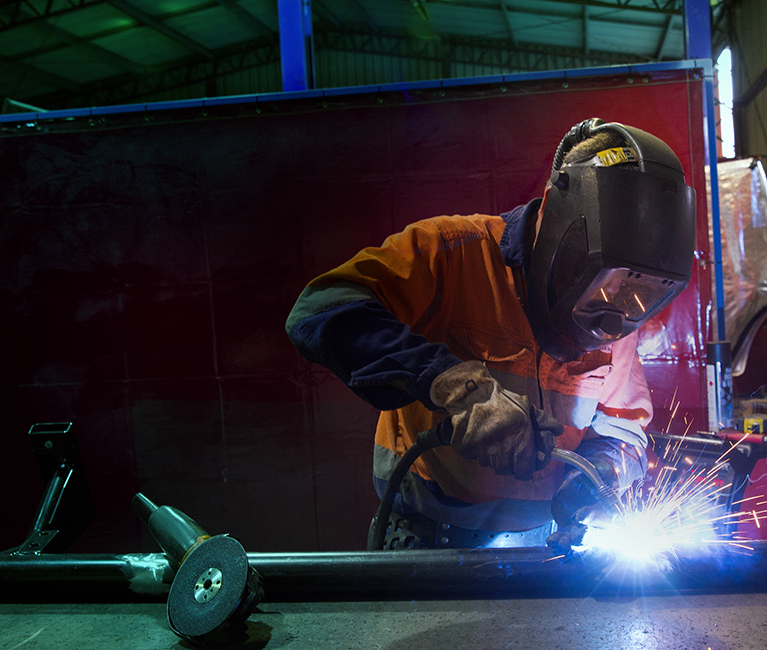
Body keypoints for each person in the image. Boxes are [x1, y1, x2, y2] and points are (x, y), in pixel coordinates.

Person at [285, 118, 696, 549]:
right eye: (608, 282)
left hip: (544, 552)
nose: (616, 311)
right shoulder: (453, 251)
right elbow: (320, 308)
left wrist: (597, 476)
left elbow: (623, 429)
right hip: (428, 544)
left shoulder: (619, 310)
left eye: (640, 294)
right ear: (560, 224)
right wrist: (452, 386)